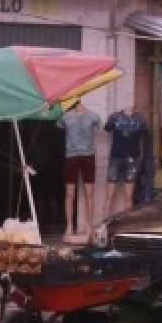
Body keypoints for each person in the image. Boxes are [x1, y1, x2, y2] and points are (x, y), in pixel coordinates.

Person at [58, 101, 101, 244]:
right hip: (71, 155)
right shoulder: (65, 116)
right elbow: (59, 125)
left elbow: (99, 127)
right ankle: (69, 225)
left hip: (88, 156)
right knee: (69, 193)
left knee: (89, 193)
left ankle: (89, 225)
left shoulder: (94, 116)